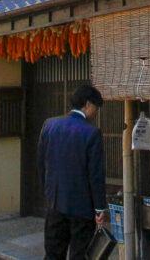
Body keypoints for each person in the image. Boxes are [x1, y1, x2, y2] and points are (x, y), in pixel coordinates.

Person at [37, 85, 106, 260]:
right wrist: (99, 208)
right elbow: (95, 175)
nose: (96, 113)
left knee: (53, 253)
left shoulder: (50, 125)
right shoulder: (91, 133)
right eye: (96, 108)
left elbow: (41, 163)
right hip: (81, 207)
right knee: (79, 254)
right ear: (88, 104)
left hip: (55, 202)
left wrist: (48, 193)